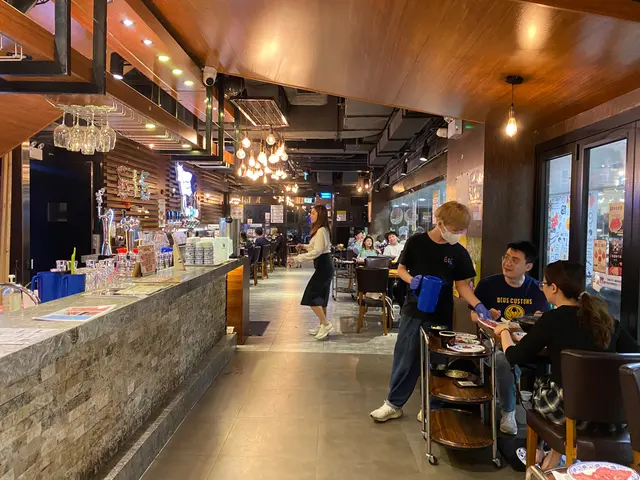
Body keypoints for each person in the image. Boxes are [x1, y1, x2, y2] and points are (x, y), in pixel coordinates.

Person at [494, 260, 639, 469]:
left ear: (554, 288)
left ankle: (541, 451)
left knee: (541, 385)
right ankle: (553, 455)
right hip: (612, 414)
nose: (542, 288)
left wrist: (504, 332)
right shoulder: (606, 320)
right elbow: (635, 355)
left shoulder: (552, 319)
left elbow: (515, 356)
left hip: (567, 411)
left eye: (544, 284)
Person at [370, 201, 492, 422]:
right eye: (455, 229)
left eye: (461, 230)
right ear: (440, 222)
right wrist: (412, 280)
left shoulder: (458, 252)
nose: (457, 234)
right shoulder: (417, 242)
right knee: (406, 358)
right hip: (414, 308)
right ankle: (393, 404)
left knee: (438, 361)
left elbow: (462, 286)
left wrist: (477, 304)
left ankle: (431, 406)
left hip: (441, 312)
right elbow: (401, 269)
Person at [472, 241, 550, 435]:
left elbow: (542, 319)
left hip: (528, 344)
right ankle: (508, 412)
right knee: (502, 358)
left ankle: (544, 415)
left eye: (514, 260)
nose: (507, 263)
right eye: (506, 258)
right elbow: (473, 315)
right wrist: (485, 315)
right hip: (494, 342)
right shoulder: (488, 285)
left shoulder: (538, 290)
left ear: (528, 267)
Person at [293, 205, 334, 340]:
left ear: (320, 215)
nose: (310, 215)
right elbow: (314, 247)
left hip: (324, 266)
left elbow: (317, 251)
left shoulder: (321, 230)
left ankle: (326, 324)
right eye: (311, 213)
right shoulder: (322, 229)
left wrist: (298, 258)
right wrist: (304, 246)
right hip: (324, 265)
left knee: (312, 296)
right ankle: (322, 324)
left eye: (313, 213)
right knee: (321, 297)